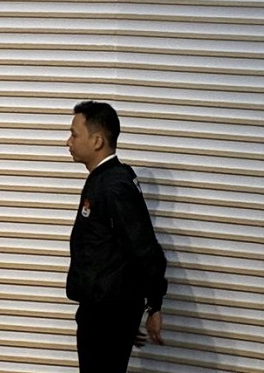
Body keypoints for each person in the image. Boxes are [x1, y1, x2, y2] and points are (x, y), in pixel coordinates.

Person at [65, 101, 168, 373]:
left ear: (97, 140)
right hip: (104, 311)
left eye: (74, 134)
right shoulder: (104, 179)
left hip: (107, 314)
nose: (68, 141)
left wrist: (151, 306)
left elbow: (144, 248)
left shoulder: (113, 185)